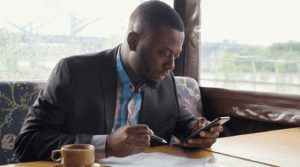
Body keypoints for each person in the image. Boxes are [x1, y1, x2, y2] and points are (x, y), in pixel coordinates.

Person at [14, 1, 223, 161]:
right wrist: (105, 144)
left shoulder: (165, 79)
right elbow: (27, 143)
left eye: (175, 56)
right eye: (164, 54)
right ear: (133, 41)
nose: (171, 66)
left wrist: (198, 131)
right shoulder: (74, 72)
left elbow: (182, 121)